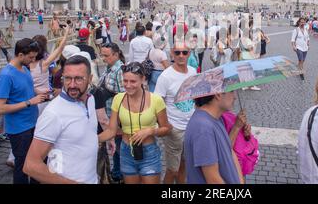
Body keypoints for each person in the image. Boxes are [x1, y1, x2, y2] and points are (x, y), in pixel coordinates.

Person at [23, 56, 98, 184]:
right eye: (67, 78)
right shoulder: (54, 113)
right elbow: (31, 165)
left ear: (90, 79)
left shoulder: (90, 99)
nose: (72, 85)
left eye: (79, 79)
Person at [99, 62, 172, 184]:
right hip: (126, 151)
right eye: (125, 81)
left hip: (149, 152)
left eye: (133, 81)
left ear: (143, 79)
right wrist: (91, 139)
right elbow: (111, 130)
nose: (128, 85)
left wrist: (151, 131)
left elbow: (166, 128)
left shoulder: (156, 100)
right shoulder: (118, 99)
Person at [0, 39, 49, 184]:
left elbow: (27, 88)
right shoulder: (6, 75)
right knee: (23, 165)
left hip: (32, 123)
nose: (33, 60)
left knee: (37, 160)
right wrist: (30, 102)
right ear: (19, 54)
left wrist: (40, 92)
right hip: (19, 129)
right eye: (30, 57)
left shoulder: (24, 68)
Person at [154, 41, 197, 184]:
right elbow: (157, 102)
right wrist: (165, 125)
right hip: (175, 129)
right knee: (172, 169)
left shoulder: (192, 71)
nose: (181, 55)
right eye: (177, 52)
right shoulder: (166, 76)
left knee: (184, 163)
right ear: (172, 53)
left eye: (184, 52)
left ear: (189, 54)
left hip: (191, 127)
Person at [184, 92, 244, 184]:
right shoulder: (203, 128)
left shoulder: (217, 118)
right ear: (218, 94)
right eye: (231, 91)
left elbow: (229, 151)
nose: (235, 97)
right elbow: (213, 179)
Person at [97, 42, 126, 182]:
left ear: (116, 54)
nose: (104, 58)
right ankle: (116, 172)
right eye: (102, 55)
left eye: (106, 55)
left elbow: (124, 97)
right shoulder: (109, 68)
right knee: (115, 148)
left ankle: (119, 174)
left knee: (119, 148)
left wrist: (119, 122)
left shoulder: (120, 70)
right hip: (108, 116)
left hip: (116, 119)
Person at [30, 27, 71, 114]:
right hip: (44, 98)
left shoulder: (25, 65)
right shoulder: (44, 64)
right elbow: (60, 48)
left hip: (31, 99)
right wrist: (66, 33)